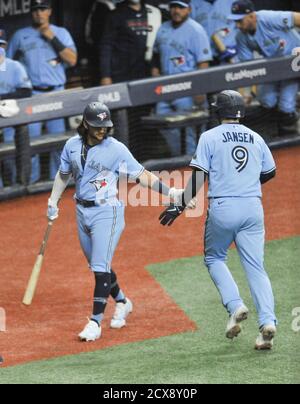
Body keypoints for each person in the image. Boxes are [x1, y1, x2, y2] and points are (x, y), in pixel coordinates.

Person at [47, 102, 185, 341]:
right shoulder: (71, 145)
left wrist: (170, 192)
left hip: (107, 213)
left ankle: (95, 322)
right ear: (86, 124)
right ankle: (122, 301)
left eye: (106, 126)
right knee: (98, 266)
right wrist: (52, 200)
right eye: (98, 126)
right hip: (82, 212)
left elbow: (142, 175)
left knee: (100, 268)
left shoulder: (116, 149)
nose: (103, 131)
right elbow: (63, 173)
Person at [159, 90, 278, 350]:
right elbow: (269, 172)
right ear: (241, 112)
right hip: (252, 207)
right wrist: (245, 183)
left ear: (217, 112)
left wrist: (178, 205)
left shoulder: (209, 137)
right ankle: (267, 322)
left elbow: (199, 177)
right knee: (256, 267)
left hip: (223, 207)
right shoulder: (256, 138)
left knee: (214, 258)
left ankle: (235, 306)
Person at [7, 0, 77, 183]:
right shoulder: (20, 35)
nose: (39, 13)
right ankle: (28, 184)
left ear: (50, 11)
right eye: (36, 10)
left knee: (60, 144)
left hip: (56, 93)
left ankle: (59, 182)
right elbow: (6, 65)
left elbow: (72, 60)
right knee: (29, 143)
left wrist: (51, 36)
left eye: (43, 9)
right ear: (31, 13)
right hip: (32, 95)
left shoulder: (61, 32)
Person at [228, 0, 300, 135]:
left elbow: (297, 18)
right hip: (272, 67)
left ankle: (291, 141)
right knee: (266, 101)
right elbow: (246, 68)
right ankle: (274, 138)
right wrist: (245, 93)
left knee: (286, 104)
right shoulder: (241, 37)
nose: (237, 25)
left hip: (294, 61)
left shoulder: (268, 18)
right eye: (235, 21)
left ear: (252, 16)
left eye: (240, 21)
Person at [151, 0, 212, 157]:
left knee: (192, 130)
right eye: (173, 7)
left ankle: (194, 165)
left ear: (189, 9)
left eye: (181, 7)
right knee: (161, 122)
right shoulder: (163, 28)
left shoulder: (196, 30)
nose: (176, 11)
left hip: (188, 88)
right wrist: (155, 72)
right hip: (165, 87)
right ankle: (181, 158)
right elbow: (155, 55)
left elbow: (203, 63)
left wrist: (201, 89)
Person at [0, 30, 32, 187]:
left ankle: (20, 188)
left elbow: (26, 91)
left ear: (5, 46)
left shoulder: (15, 66)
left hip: (11, 117)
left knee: (12, 155)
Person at [190, 0, 238, 65]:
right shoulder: (192, 4)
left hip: (230, 55)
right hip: (204, 59)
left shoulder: (233, 2)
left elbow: (244, 27)